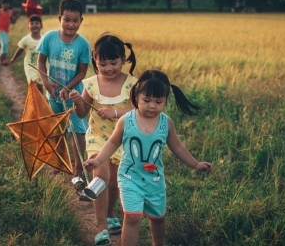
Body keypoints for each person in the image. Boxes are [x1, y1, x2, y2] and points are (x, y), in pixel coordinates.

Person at [83, 70, 213, 246]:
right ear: (137, 96)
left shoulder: (165, 123)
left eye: (158, 102)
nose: (152, 106)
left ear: (166, 101)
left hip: (155, 181)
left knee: (158, 219)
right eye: (147, 100)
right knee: (133, 217)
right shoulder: (126, 120)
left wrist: (195, 164)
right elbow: (112, 143)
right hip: (130, 178)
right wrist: (98, 160)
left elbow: (178, 147)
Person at [69, 33, 137, 246]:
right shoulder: (90, 84)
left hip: (122, 140)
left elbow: (139, 110)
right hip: (98, 138)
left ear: (123, 59)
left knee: (115, 185)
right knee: (101, 178)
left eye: (113, 63)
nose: (108, 68)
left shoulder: (132, 84)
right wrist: (77, 102)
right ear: (94, 61)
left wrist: (115, 113)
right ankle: (101, 229)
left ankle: (109, 215)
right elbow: (81, 114)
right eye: (102, 63)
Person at [36, 0, 91, 179]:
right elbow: (41, 62)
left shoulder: (82, 44)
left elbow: (82, 73)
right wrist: (46, 82)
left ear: (81, 21)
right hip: (53, 94)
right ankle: (59, 161)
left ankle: (78, 168)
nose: (70, 24)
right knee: (57, 128)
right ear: (60, 18)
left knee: (78, 131)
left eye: (75, 20)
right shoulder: (49, 37)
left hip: (74, 95)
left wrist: (67, 88)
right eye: (66, 19)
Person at [9, 14, 44, 93]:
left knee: (40, 86)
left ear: (41, 25)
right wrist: (13, 59)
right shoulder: (26, 39)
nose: (34, 25)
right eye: (32, 23)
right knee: (33, 84)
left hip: (41, 67)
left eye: (37, 23)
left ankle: (40, 102)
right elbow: (20, 50)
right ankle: (34, 102)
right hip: (30, 66)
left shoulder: (44, 39)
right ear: (28, 26)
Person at [0, 0, 19, 66]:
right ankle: (3, 59)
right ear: (2, 5)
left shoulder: (10, 12)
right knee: (4, 44)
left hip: (7, 31)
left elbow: (12, 21)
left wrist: (16, 17)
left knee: (4, 45)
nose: (5, 5)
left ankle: (1, 56)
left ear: (8, 4)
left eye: (6, 4)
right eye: (4, 4)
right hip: (0, 30)